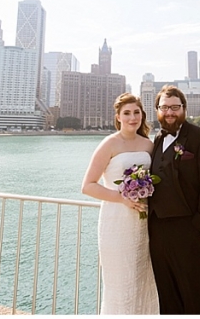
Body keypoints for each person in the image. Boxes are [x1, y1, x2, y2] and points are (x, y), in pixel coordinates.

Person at [148, 85, 200, 314]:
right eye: (164, 107)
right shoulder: (157, 140)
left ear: (184, 109)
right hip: (157, 231)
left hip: (189, 230)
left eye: (175, 107)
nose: (169, 112)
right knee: (167, 296)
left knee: (195, 297)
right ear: (157, 110)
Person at [81, 93, 160, 315]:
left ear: (142, 115)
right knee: (120, 283)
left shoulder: (148, 145)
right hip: (116, 222)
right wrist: (122, 198)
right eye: (127, 113)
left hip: (143, 223)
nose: (132, 118)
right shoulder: (109, 144)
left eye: (136, 112)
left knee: (143, 280)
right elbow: (87, 186)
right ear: (118, 117)